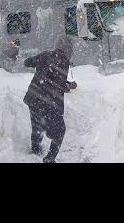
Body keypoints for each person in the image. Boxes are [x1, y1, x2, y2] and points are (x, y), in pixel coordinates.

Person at [23, 35, 77, 163]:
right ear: (69, 50)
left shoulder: (45, 55)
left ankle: (35, 150)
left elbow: (27, 63)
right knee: (60, 131)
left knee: (37, 125)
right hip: (49, 102)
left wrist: (37, 63)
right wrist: (68, 86)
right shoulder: (64, 61)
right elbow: (57, 83)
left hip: (34, 97)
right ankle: (49, 158)